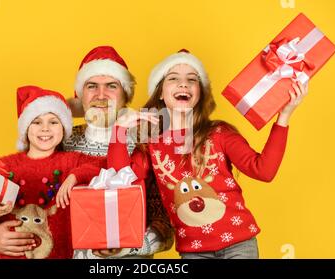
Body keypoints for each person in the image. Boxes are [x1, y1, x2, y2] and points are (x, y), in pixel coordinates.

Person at [107, 49, 308, 259]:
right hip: (194, 252)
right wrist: (118, 132)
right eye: (173, 78)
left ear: (200, 92)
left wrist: (284, 117)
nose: (183, 84)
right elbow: (121, 179)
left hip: (238, 245)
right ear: (160, 93)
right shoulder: (152, 145)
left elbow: (264, 171)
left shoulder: (220, 133)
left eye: (191, 79)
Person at [0, 46, 174, 259]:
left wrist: (126, 247)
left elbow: (167, 224)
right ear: (79, 95)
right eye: (91, 86)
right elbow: (25, 198)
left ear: (125, 94)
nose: (101, 95)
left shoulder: (147, 144)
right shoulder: (58, 140)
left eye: (112, 86)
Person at [0, 85, 104, 259]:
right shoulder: (6, 166)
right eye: (36, 122)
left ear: (64, 128)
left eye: (53, 122)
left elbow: (104, 165)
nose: (45, 128)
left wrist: (75, 176)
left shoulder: (71, 161)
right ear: (26, 129)